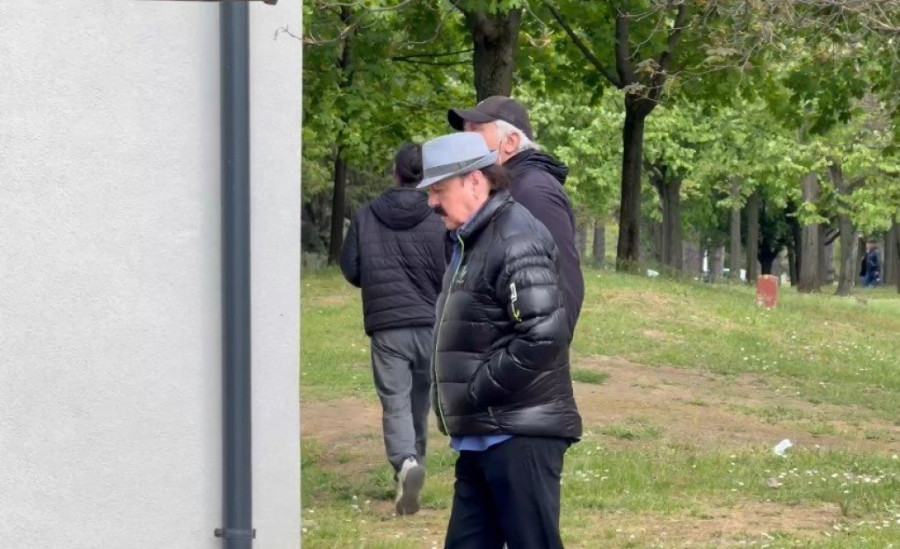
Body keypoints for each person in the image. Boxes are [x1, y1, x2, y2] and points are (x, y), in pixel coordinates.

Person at [418, 132, 582, 549]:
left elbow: (544, 334)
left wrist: (477, 388)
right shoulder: (474, 239)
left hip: (518, 434)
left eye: (439, 190)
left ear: (475, 182)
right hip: (483, 435)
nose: (431, 202)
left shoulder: (515, 236)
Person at [339, 143, 447, 515]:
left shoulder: (366, 215)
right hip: (430, 323)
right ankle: (412, 467)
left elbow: (351, 268)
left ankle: (405, 464)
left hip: (387, 326)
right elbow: (451, 268)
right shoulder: (440, 216)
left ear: (395, 173)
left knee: (395, 401)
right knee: (419, 403)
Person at [447, 95, 584, 335]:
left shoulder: (533, 191)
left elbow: (563, 283)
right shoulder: (502, 188)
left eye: (476, 131)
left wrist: (539, 349)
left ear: (510, 142)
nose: (464, 141)